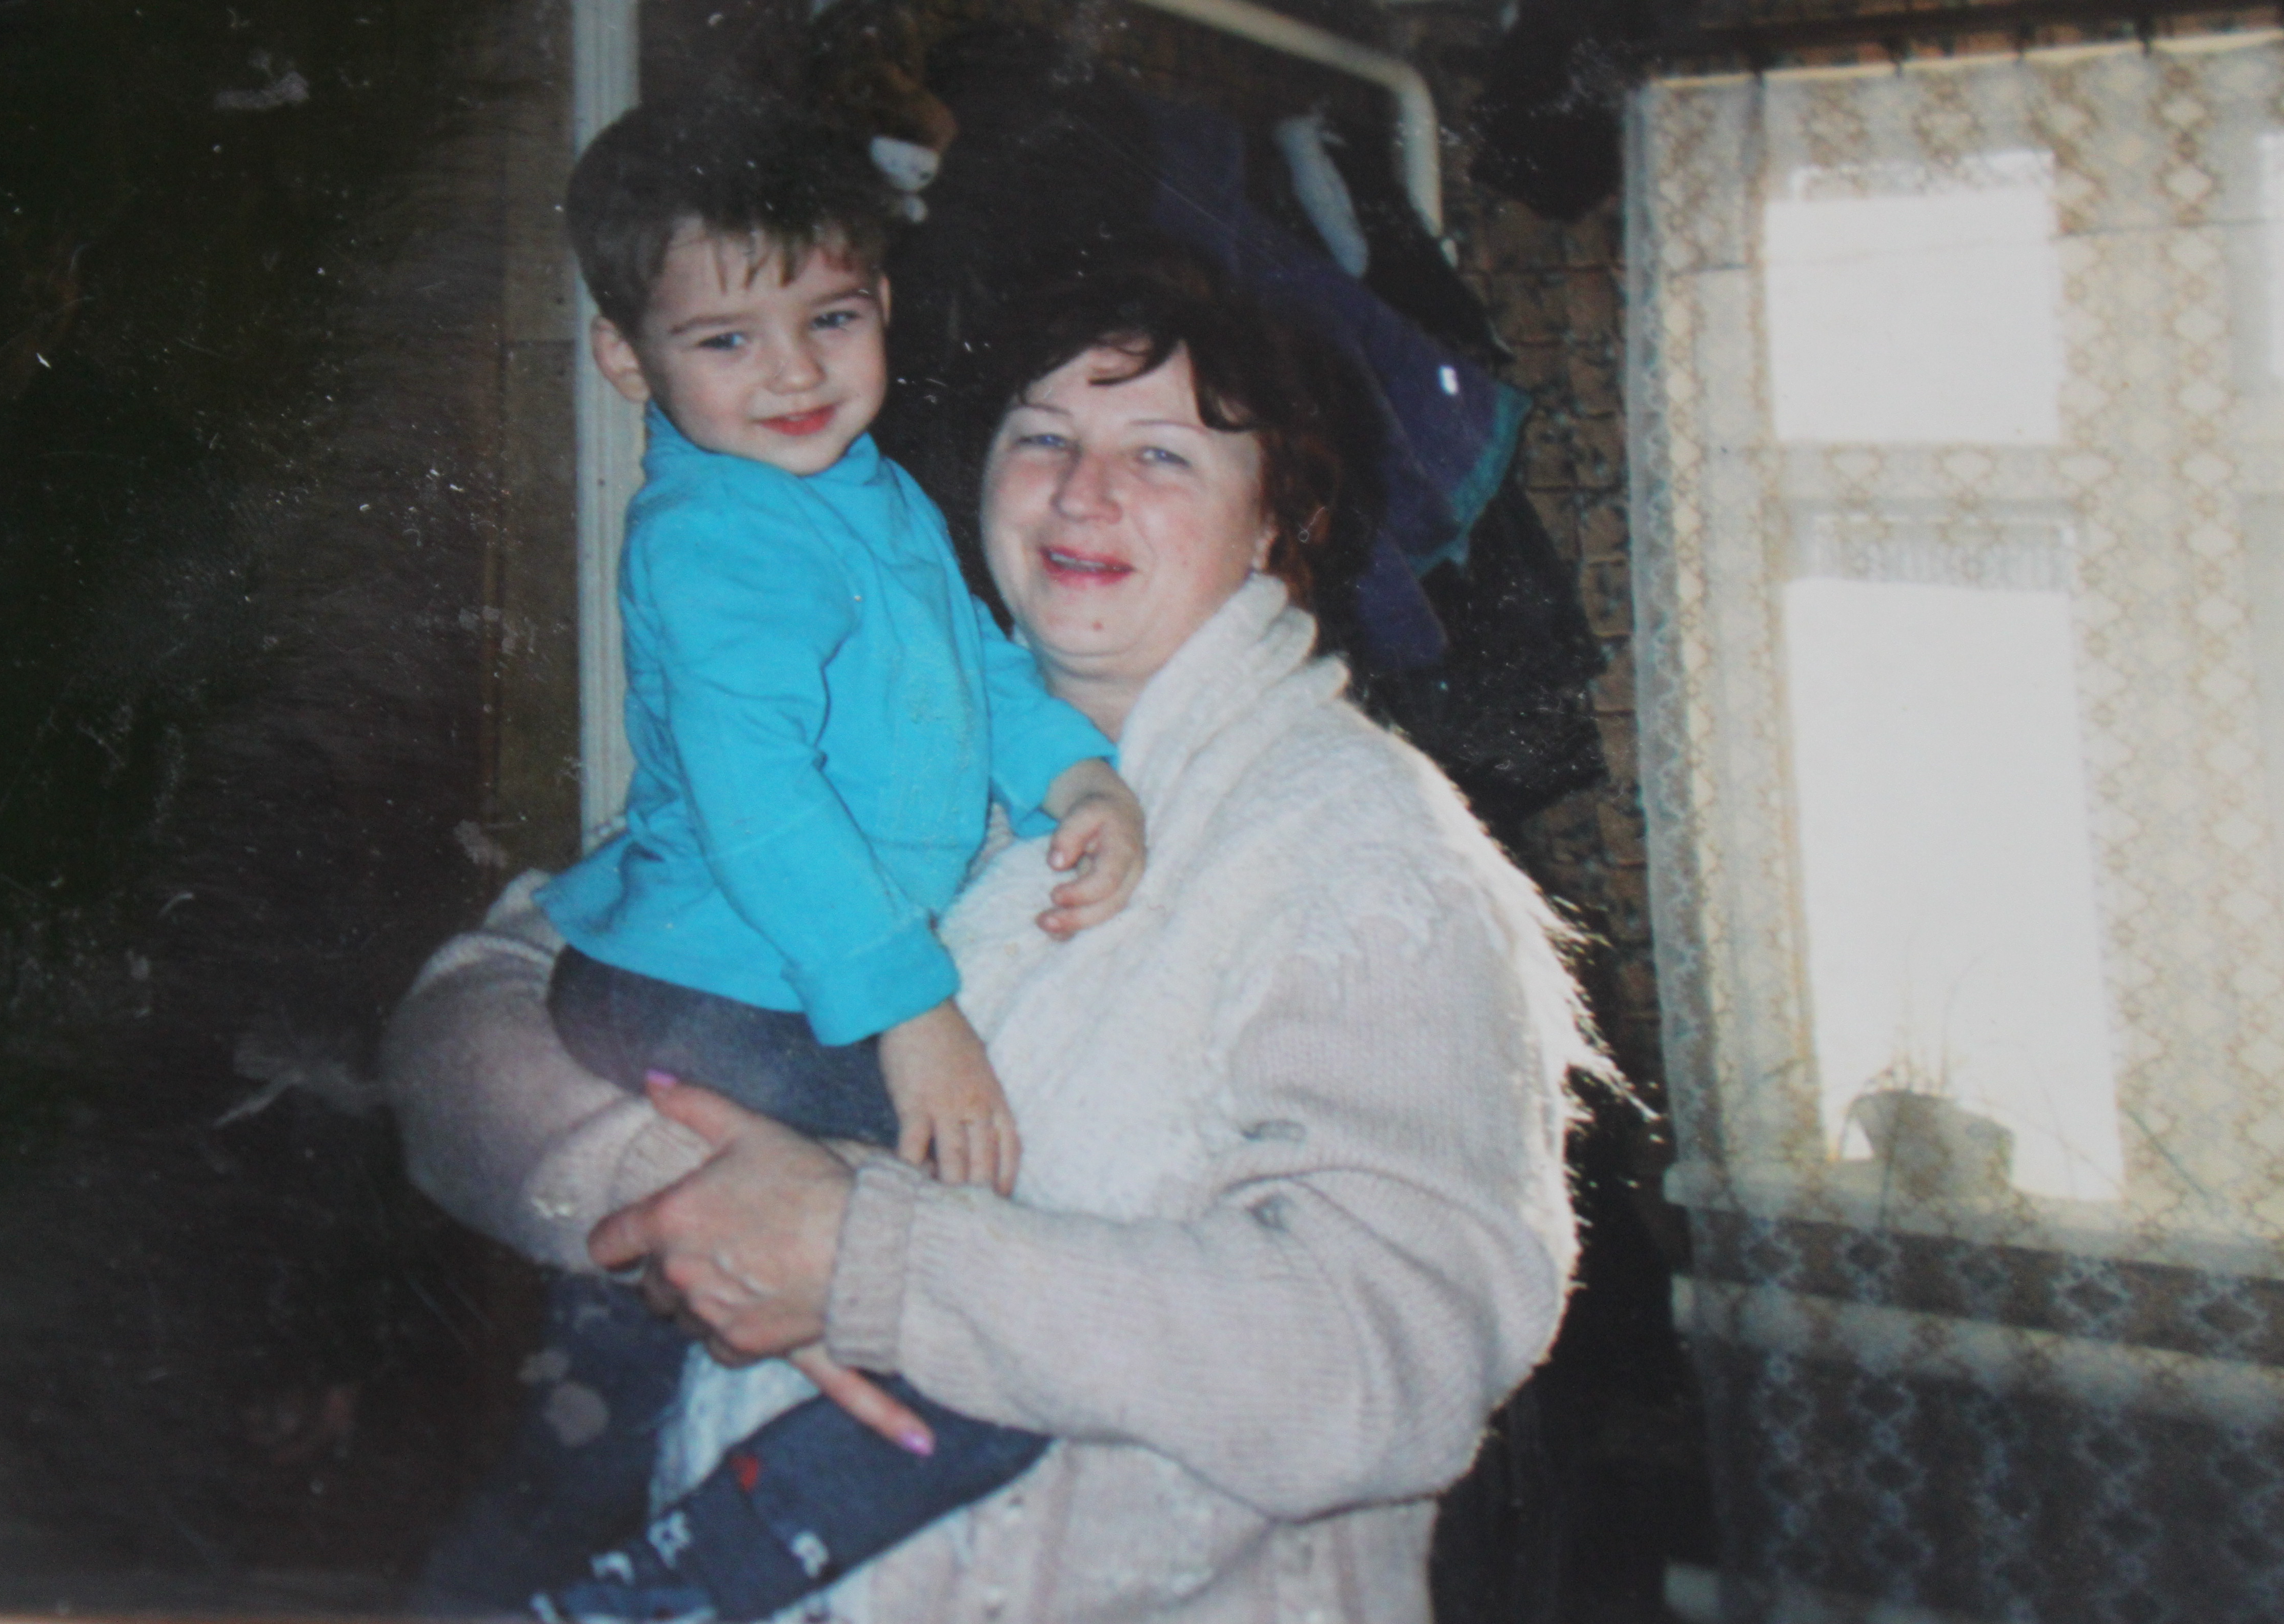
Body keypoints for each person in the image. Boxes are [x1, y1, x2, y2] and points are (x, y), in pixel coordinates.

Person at [385, 249, 1597, 1623]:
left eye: (1162, 454)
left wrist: (868, 1261)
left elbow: (1391, 1367)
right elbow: (466, 1013)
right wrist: (691, 1202)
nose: (1083, 492)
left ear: (1274, 522)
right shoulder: (881, 725)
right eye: (1044, 437)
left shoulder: (1361, 847)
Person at [520, 89, 1147, 1620]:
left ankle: (566, 1553)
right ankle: (677, 1586)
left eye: (833, 318)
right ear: (628, 359)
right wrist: (909, 1007)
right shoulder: (715, 535)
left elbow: (982, 664)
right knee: (992, 1318)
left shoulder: (865, 489)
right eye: (728, 339)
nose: (796, 372)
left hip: (754, 983)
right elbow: (762, 802)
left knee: (632, 1371)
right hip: (715, 987)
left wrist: (1078, 773)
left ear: (883, 307)